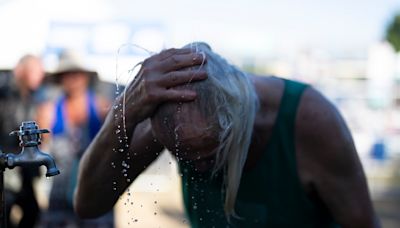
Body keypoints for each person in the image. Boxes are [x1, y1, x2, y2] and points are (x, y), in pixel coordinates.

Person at [74, 42, 380, 227]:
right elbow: (88, 205)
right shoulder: (174, 118)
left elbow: (364, 224)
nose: (199, 167)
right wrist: (122, 113)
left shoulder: (310, 120)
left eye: (209, 152)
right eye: (183, 156)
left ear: (237, 119)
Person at [37, 50, 112, 227]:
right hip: (60, 193)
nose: (73, 79)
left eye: (76, 74)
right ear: (60, 78)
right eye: (67, 75)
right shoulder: (49, 111)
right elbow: (40, 149)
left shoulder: (101, 107)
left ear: (85, 77)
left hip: (96, 188)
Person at [0, 55, 46, 228]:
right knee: (7, 208)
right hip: (6, 162)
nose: (39, 75)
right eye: (34, 70)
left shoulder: (32, 97)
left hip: (22, 166)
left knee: (32, 210)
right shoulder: (4, 94)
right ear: (21, 71)